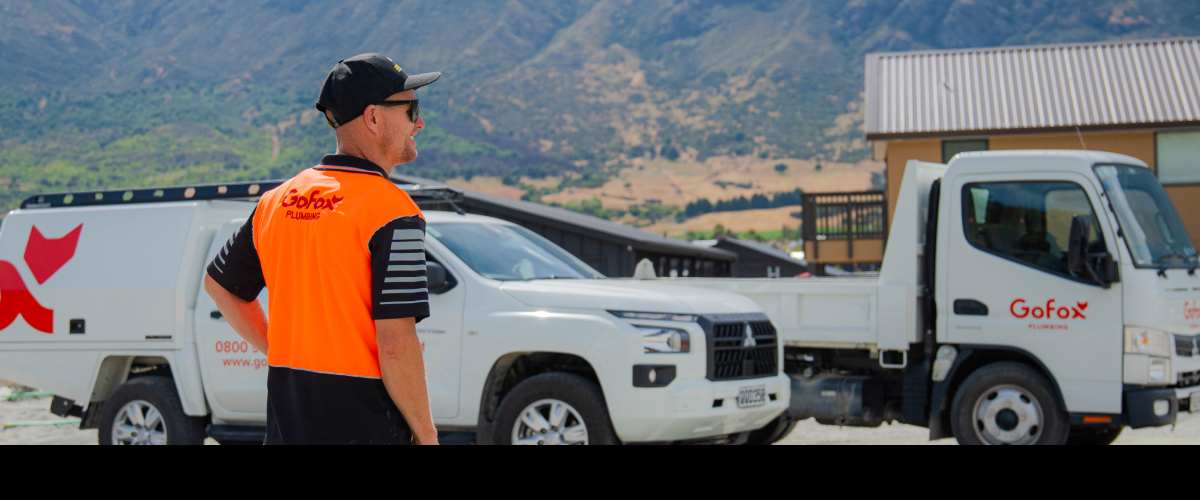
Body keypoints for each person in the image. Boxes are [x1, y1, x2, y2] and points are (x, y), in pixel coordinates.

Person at [203, 53, 441, 445]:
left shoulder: (275, 201)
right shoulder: (392, 211)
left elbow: (221, 286)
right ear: (373, 118)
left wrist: (278, 348)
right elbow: (396, 346)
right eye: (411, 108)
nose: (420, 122)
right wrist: (427, 436)